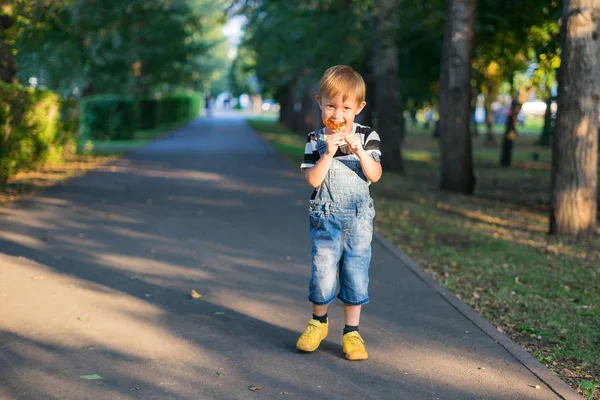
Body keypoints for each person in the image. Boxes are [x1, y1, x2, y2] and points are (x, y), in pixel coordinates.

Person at [297, 65, 382, 360]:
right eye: (330, 106)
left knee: (355, 274)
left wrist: (359, 152)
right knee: (322, 273)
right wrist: (328, 153)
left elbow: (375, 175)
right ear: (320, 102)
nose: (337, 115)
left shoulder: (367, 136)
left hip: (358, 221)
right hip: (325, 217)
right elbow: (313, 180)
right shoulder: (315, 139)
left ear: (359, 108)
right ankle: (317, 322)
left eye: (346, 107)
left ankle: (352, 332)